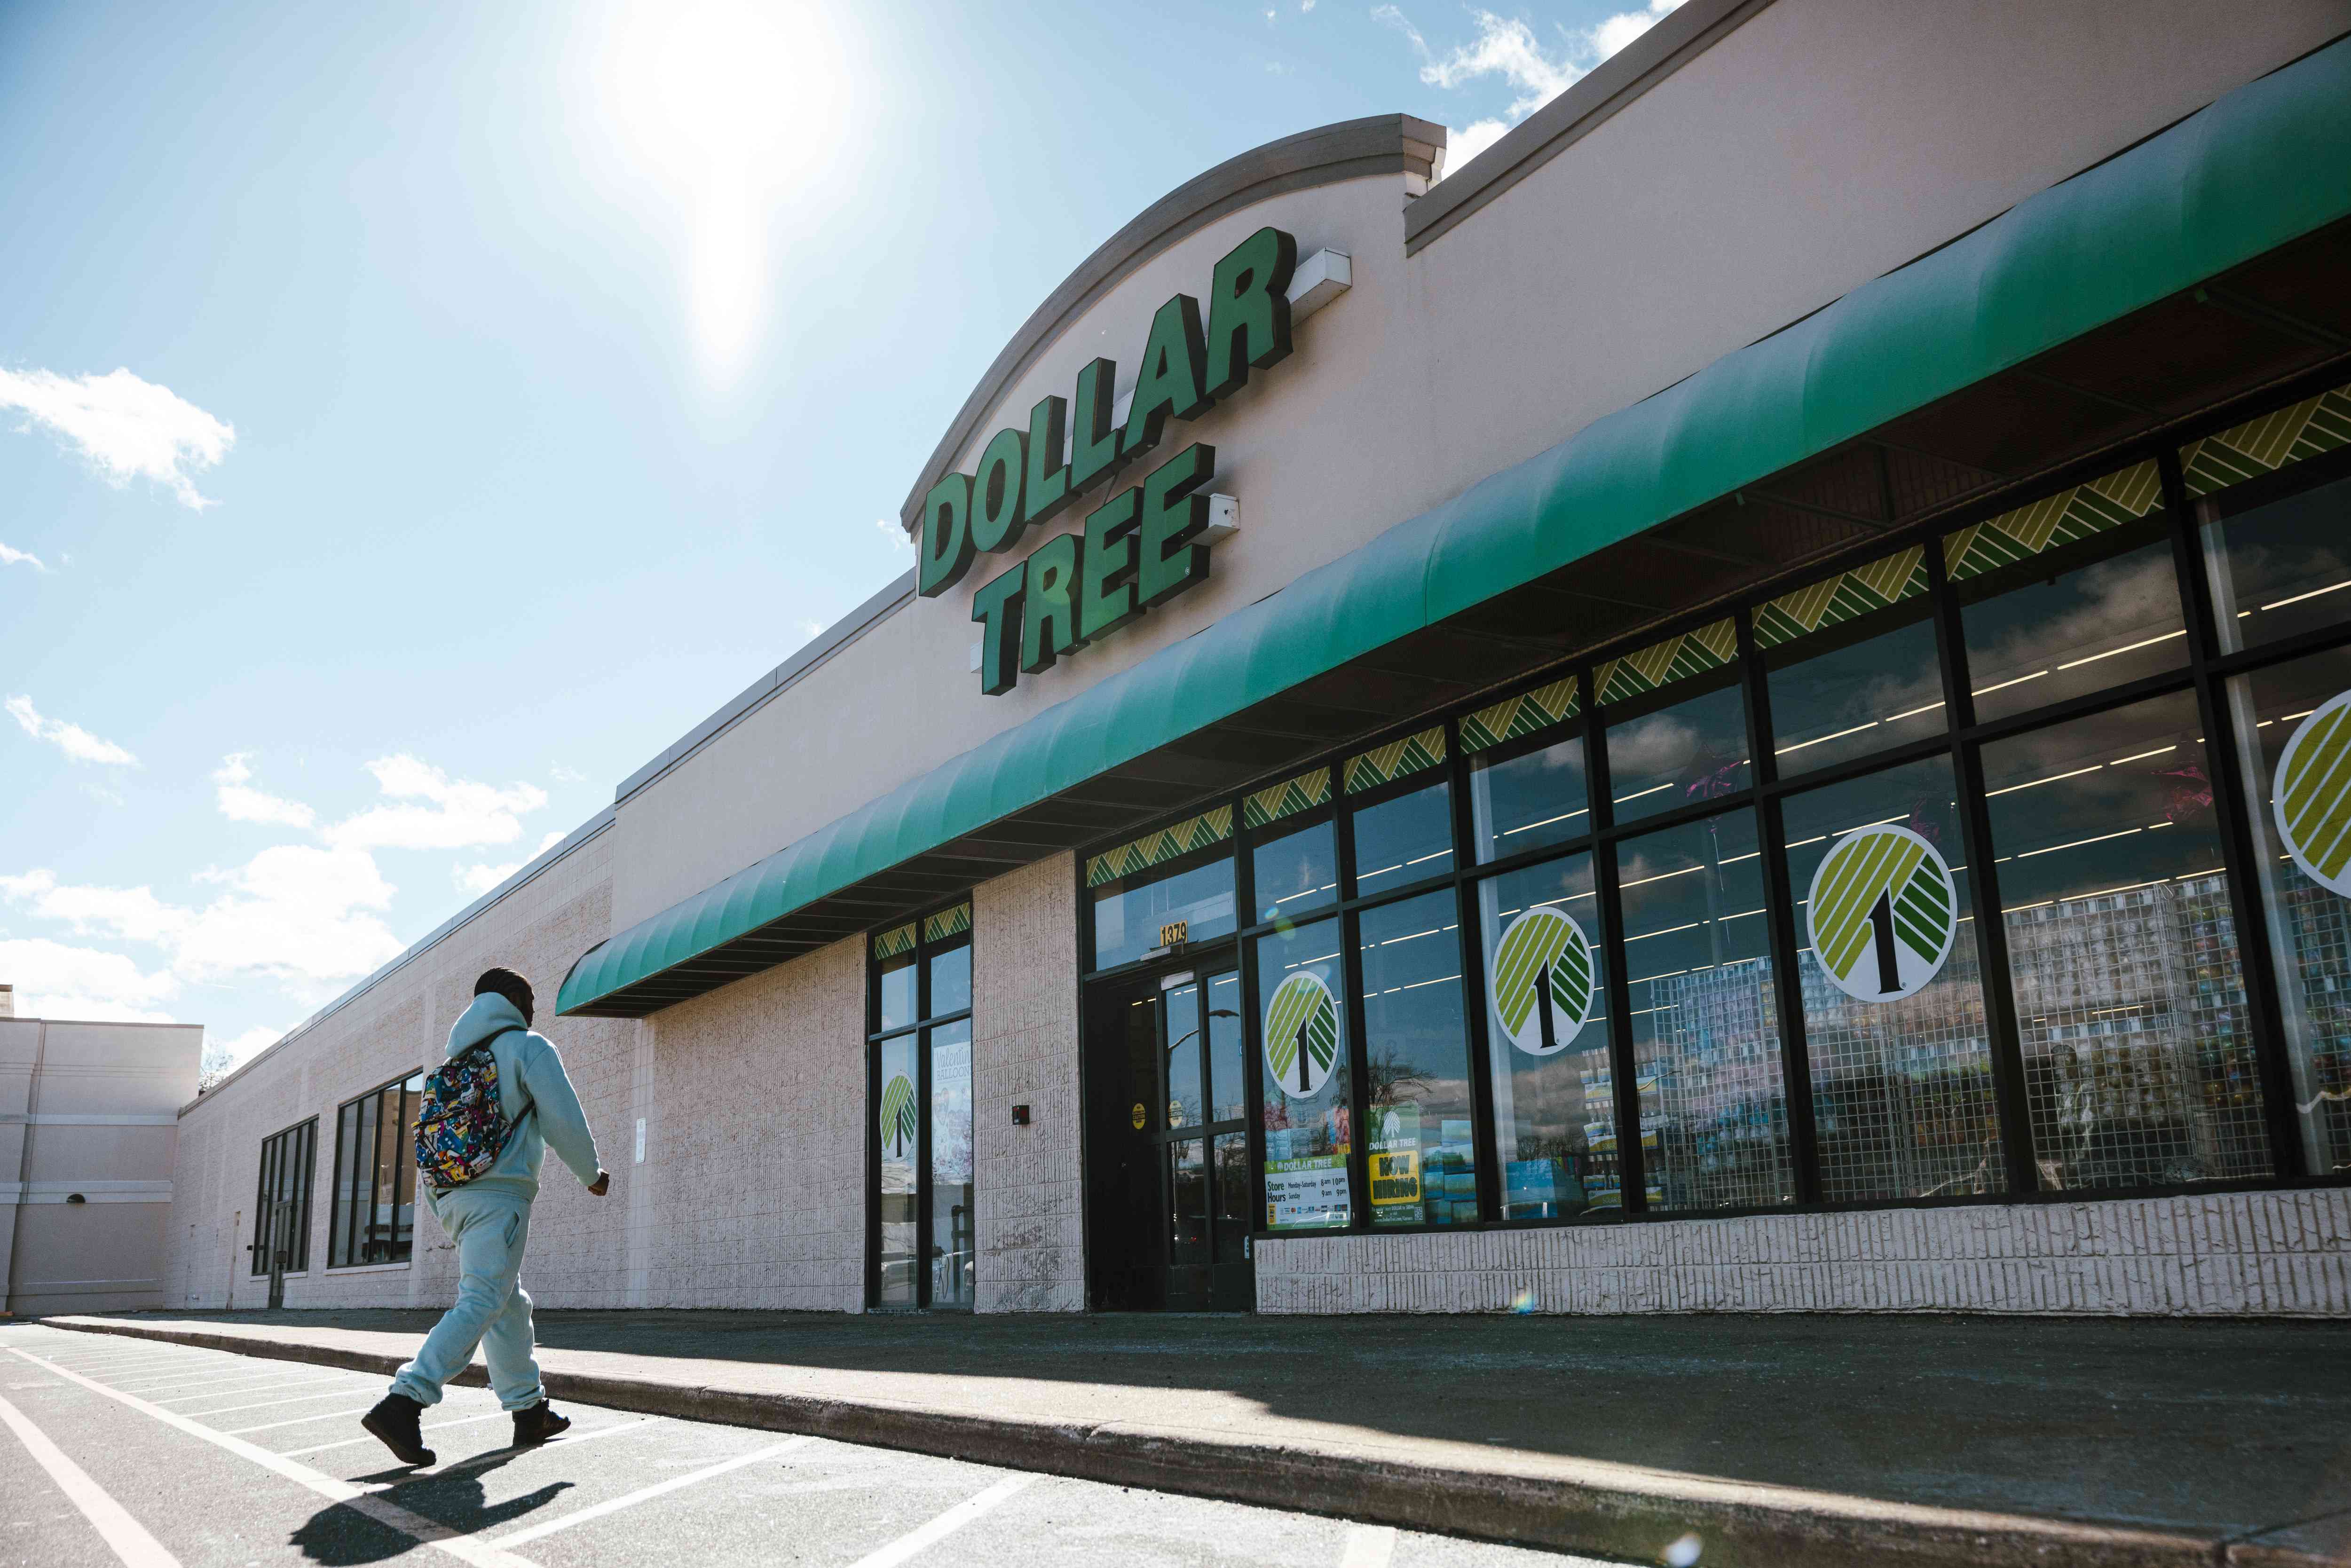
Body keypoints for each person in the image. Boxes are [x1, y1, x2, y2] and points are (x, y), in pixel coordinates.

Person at [362, 967, 608, 1466]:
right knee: (483, 1299)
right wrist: (592, 1172)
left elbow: (431, 1143)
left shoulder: (454, 1064)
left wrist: (442, 1206)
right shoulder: (526, 1046)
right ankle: (405, 1399)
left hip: (453, 1198)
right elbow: (562, 1116)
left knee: (506, 1301)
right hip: (500, 1198)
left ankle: (528, 1408)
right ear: (513, 997)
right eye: (531, 998)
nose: (534, 1008)